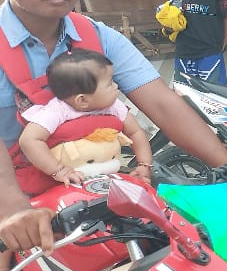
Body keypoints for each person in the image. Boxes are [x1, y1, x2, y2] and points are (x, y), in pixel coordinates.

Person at [0, 0, 227, 271]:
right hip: (12, 191)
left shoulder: (96, 36)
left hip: (85, 186)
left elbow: (162, 103)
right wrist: (11, 206)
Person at [18, 48, 152, 186]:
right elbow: (29, 140)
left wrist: (144, 164)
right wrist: (59, 170)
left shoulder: (114, 106)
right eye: (109, 83)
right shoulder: (56, 111)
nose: (116, 86)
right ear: (82, 100)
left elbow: (135, 132)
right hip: (64, 182)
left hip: (106, 178)